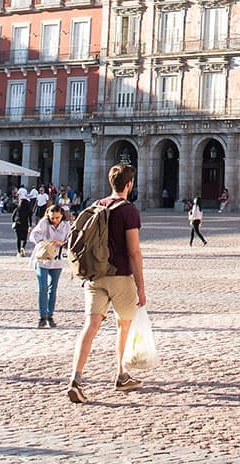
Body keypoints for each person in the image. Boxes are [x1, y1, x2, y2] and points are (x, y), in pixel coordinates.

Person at [67, 163, 146, 403]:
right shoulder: (129, 210)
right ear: (130, 184)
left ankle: (76, 378)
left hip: (95, 275)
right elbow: (134, 252)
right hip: (120, 276)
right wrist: (141, 287)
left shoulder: (95, 206)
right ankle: (122, 374)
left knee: (90, 327)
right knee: (123, 326)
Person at [30, 202, 73, 328]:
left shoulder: (66, 226)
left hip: (57, 260)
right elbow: (34, 235)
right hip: (42, 259)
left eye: (57, 218)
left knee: (52, 289)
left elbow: (70, 241)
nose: (55, 220)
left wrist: (61, 242)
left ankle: (50, 315)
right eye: (52, 218)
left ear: (62, 215)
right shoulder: (44, 222)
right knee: (42, 287)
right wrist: (44, 242)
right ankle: (42, 316)